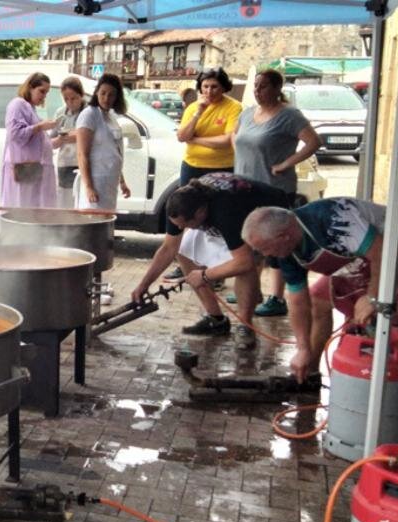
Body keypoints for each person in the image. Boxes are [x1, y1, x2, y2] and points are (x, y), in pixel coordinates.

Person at [243, 199, 398, 381]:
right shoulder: (285, 251)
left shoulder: (333, 218)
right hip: (370, 260)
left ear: (283, 236)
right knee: (318, 299)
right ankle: (308, 372)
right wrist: (302, 348)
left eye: (262, 249)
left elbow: (382, 252)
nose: (262, 255)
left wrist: (373, 296)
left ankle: (379, 393)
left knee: (381, 316)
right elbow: (298, 301)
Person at [131, 173, 291, 350]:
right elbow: (169, 248)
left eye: (184, 224)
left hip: (267, 214)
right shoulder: (180, 203)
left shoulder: (226, 210)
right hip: (228, 212)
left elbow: (244, 262)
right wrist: (143, 285)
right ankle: (216, 320)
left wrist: (205, 275)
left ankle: (245, 325)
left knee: (243, 267)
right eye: (177, 224)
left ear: (200, 214)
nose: (179, 228)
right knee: (183, 250)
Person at [232, 69, 322, 319]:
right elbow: (235, 135)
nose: (257, 91)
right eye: (256, 87)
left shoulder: (289, 115)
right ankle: (252, 289)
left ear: (276, 88)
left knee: (276, 244)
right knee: (251, 242)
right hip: (244, 188)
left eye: (262, 87)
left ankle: (277, 297)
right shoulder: (248, 113)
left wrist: (285, 164)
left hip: (274, 189)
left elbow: (314, 142)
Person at [166, 68, 242, 283]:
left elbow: (227, 140)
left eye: (214, 86)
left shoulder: (233, 107)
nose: (209, 91)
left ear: (224, 87)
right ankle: (187, 263)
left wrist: (196, 139)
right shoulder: (193, 107)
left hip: (221, 169)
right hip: (192, 166)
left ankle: (217, 270)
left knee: (215, 219)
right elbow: (182, 135)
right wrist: (199, 112)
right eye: (205, 86)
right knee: (187, 213)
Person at [0, 72, 58, 208]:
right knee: (21, 206)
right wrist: (40, 127)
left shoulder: (30, 108)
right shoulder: (18, 104)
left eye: (46, 93)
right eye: (41, 91)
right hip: (23, 168)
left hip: (31, 169)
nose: (44, 96)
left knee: (30, 207)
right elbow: (15, 133)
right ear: (30, 87)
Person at [75, 73, 130, 211]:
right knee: (92, 224)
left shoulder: (110, 117)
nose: (106, 98)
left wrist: (122, 181)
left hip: (110, 183)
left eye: (111, 95)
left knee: (106, 223)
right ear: (96, 92)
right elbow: (82, 154)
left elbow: (114, 151)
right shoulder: (89, 115)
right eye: (103, 93)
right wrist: (89, 187)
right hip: (96, 181)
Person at [51, 77, 85, 209]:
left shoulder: (88, 112)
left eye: (74, 98)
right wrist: (60, 140)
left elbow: (88, 135)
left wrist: (76, 135)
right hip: (65, 163)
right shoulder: (60, 113)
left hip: (82, 163)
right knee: (65, 203)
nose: (70, 103)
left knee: (80, 201)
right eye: (66, 99)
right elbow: (51, 141)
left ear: (81, 95)